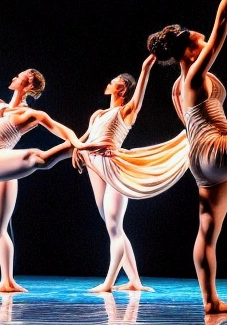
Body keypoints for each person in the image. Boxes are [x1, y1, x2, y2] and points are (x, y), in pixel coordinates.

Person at [147, 0, 227, 316]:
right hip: (215, 148)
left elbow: (189, 125)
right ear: (190, 50)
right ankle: (211, 300)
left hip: (200, 161)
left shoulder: (178, 88)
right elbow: (223, 19)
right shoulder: (195, 74)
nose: (203, 35)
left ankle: (210, 302)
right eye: (198, 37)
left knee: (208, 231)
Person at [0, 68, 91, 293]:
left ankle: (81, 146)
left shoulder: (31, 114)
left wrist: (76, 142)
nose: (14, 76)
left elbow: (60, 128)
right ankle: (7, 281)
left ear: (30, 84)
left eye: (20, 75)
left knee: (36, 158)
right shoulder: (1, 106)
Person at [73, 55, 188, 293]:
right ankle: (135, 280)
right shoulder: (97, 114)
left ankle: (108, 283)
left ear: (122, 88)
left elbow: (139, 95)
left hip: (114, 167)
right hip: (95, 167)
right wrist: (78, 149)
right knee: (111, 225)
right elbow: (85, 138)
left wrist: (148, 64)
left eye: (113, 81)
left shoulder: (127, 111)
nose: (108, 83)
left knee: (114, 225)